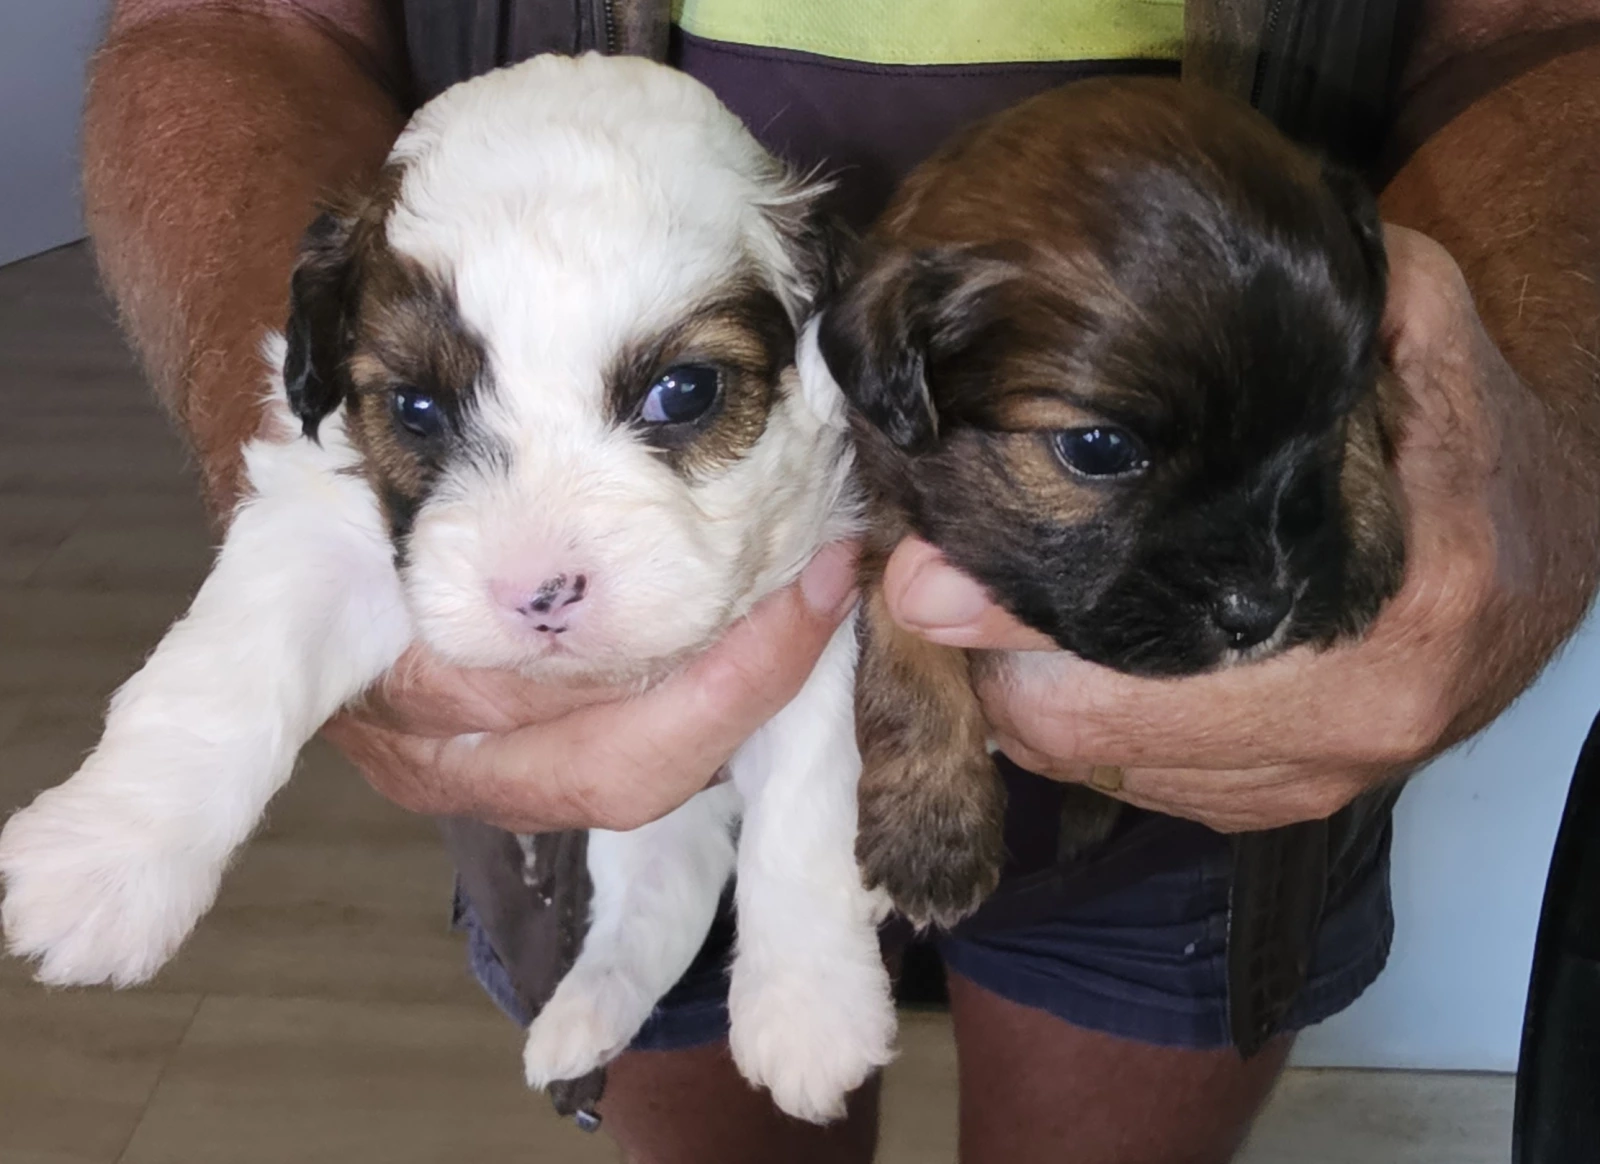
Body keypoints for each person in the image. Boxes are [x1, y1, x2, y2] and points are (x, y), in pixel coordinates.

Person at [83, 2, 1600, 1161]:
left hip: (1214, 818)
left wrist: (1532, 428)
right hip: (619, 750)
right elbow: (240, 16)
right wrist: (306, 487)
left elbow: (1544, 26)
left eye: (682, 393)